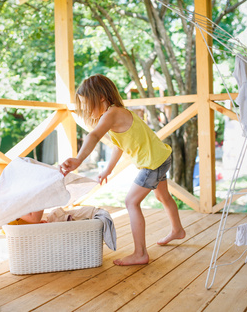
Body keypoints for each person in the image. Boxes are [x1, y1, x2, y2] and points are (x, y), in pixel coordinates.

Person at [59, 74, 185, 266]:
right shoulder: (116, 113)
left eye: (87, 103)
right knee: (163, 197)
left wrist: (78, 159)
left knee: (131, 202)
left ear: (101, 97)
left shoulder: (113, 114)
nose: (84, 108)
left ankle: (140, 253)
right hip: (159, 157)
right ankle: (177, 230)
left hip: (152, 163)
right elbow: (118, 145)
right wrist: (108, 169)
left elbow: (93, 136)